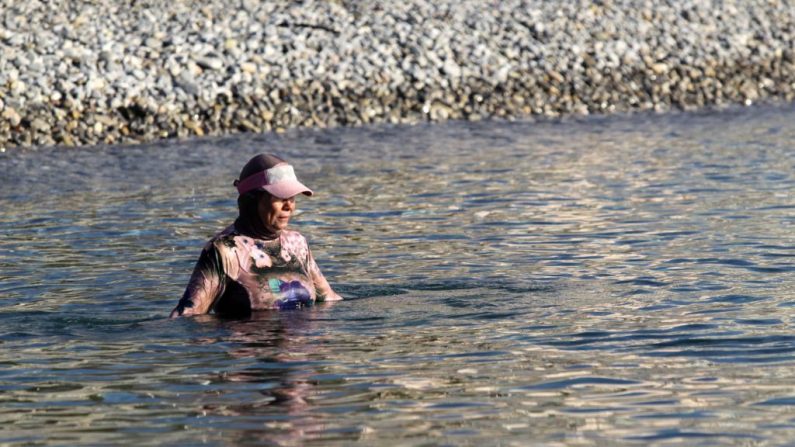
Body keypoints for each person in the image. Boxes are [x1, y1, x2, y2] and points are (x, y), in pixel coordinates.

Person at [170, 153, 342, 318]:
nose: (289, 206)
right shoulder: (224, 251)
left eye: (293, 197)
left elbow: (329, 300)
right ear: (252, 200)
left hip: (301, 347)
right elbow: (188, 317)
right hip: (253, 345)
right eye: (280, 197)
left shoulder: (297, 243)